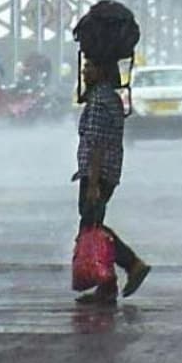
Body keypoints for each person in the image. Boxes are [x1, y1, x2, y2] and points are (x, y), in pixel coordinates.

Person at [72, 58, 150, 305]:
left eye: (89, 67)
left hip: (99, 172)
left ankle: (132, 264)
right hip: (109, 170)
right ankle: (106, 285)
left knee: (92, 226)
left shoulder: (98, 102)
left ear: (102, 71)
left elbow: (96, 144)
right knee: (92, 224)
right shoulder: (111, 98)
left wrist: (93, 183)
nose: (84, 71)